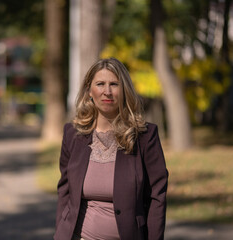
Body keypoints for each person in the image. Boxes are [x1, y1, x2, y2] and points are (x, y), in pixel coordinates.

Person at [54, 58, 168, 240]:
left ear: (124, 90)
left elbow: (157, 197)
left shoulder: (145, 136)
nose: (107, 92)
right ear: (89, 91)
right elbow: (65, 192)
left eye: (114, 84)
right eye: (100, 84)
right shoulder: (73, 134)